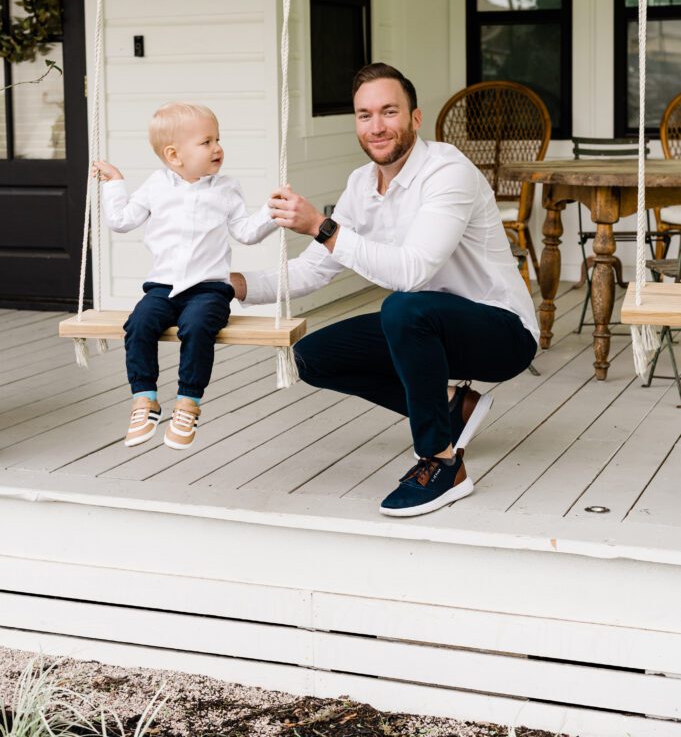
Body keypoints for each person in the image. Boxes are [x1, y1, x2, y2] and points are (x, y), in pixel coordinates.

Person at [231, 64, 539, 518]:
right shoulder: (361, 184)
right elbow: (312, 271)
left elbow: (413, 271)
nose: (376, 127)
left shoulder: (447, 172)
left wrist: (320, 225)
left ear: (415, 118)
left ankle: (441, 462)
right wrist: (235, 286)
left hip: (501, 330)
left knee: (403, 308)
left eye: (389, 112)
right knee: (312, 356)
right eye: (364, 115)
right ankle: (454, 408)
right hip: (426, 326)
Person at [94, 102, 277, 450]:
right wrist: (115, 183)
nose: (218, 148)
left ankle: (188, 402)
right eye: (206, 142)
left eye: (218, 139)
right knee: (139, 324)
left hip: (208, 290)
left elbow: (246, 232)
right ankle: (144, 399)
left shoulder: (226, 188)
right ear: (175, 155)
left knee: (197, 326)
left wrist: (271, 211)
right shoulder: (155, 186)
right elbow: (121, 220)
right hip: (163, 287)